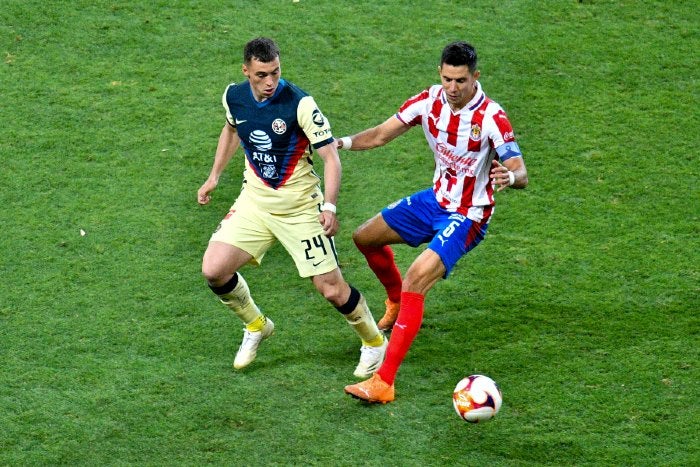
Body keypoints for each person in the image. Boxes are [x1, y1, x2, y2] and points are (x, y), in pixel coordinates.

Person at [339, 41, 528, 403]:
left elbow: (520, 170)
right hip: (435, 200)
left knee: (417, 278)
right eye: (446, 79)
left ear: (475, 76)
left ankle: (384, 383)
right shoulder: (429, 101)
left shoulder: (491, 117)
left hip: (468, 215)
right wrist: (338, 143)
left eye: (460, 80)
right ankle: (395, 303)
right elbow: (381, 134)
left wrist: (511, 178)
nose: (453, 88)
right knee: (365, 237)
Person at [197, 37, 387, 378]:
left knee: (331, 289)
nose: (270, 82)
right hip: (255, 202)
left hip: (301, 209)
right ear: (246, 71)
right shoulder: (234, 97)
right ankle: (257, 325)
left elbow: (331, 157)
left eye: (275, 72)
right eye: (261, 75)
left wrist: (329, 206)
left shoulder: (299, 104)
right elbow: (232, 131)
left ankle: (374, 343)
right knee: (214, 269)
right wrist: (214, 177)